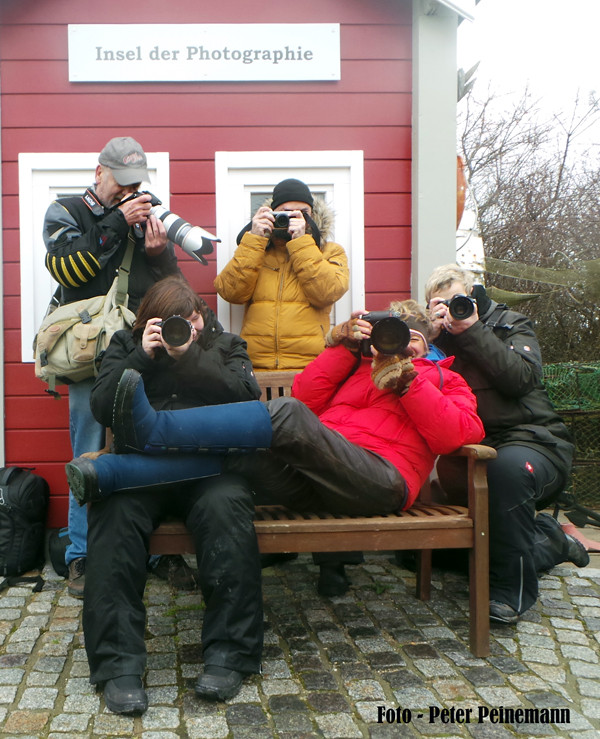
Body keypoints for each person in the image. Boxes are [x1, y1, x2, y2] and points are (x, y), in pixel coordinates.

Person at [67, 302, 485, 551]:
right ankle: (109, 473)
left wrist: (409, 382)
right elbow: (306, 397)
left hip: (379, 480)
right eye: (392, 334)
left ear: (428, 345)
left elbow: (455, 435)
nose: (401, 343)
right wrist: (343, 348)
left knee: (284, 414)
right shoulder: (358, 366)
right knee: (240, 454)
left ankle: (151, 429)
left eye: (412, 337)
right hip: (317, 478)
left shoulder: (445, 379)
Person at [77, 275, 264, 714]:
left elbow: (247, 396)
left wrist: (190, 357)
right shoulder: (126, 344)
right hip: (141, 471)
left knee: (227, 510)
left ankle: (229, 654)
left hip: (211, 471)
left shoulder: (226, 345)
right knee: (114, 515)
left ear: (201, 314)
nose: (186, 326)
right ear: (148, 321)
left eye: (192, 318)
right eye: (171, 321)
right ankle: (117, 665)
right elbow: (102, 405)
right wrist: (142, 355)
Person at [43, 136, 180, 597]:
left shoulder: (145, 217)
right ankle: (81, 555)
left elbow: (171, 287)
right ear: (98, 173)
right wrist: (118, 222)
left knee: (150, 444)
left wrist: (160, 252)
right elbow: (70, 269)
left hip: (140, 349)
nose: (127, 191)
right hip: (87, 360)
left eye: (133, 184)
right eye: (119, 182)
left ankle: (160, 550)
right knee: (86, 449)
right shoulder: (66, 211)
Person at [424, 264, 588, 626]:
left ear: (474, 297)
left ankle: (506, 594)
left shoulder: (509, 323)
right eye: (441, 305)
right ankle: (550, 541)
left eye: (459, 302)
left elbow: (520, 379)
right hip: (468, 453)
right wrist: (426, 337)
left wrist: (472, 330)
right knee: (418, 551)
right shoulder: (433, 342)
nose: (452, 312)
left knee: (504, 470)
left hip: (534, 443)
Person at [214, 178, 349, 370]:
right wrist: (254, 239)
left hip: (308, 369)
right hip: (256, 368)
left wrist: (302, 242)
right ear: (273, 213)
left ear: (313, 216)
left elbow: (326, 293)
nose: (292, 218)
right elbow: (230, 292)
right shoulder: (257, 250)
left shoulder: (329, 251)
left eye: (302, 213)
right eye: (284, 212)